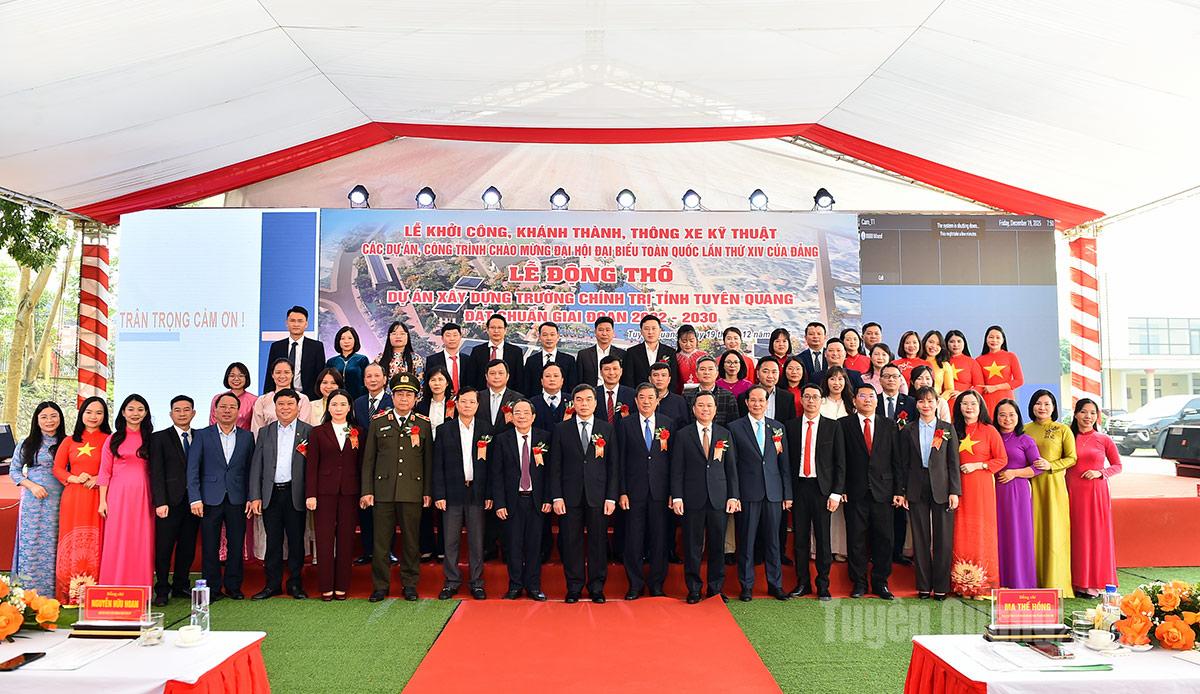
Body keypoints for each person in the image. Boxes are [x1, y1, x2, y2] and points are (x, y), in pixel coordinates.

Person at [362, 372, 432, 602]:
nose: (403, 398)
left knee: (411, 542)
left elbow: (428, 462)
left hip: (412, 491)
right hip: (383, 491)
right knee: (381, 542)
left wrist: (427, 492)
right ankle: (380, 586)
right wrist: (367, 490)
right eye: (399, 394)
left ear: (416, 398)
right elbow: (369, 460)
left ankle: (410, 584)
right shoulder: (379, 422)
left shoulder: (423, 424)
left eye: (408, 395)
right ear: (392, 396)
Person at [551, 385, 619, 603]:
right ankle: (574, 587)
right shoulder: (561, 429)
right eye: (579, 400)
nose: (584, 404)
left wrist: (611, 497)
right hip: (569, 496)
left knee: (598, 542)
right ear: (573, 403)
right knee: (572, 542)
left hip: (598, 495)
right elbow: (555, 467)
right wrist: (557, 496)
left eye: (589, 399)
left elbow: (613, 466)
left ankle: (597, 587)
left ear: (596, 403)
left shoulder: (606, 429)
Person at [671, 392, 739, 603]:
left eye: (709, 405)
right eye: (701, 405)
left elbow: (731, 468)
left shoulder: (724, 434)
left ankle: (715, 588)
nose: (705, 409)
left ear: (715, 409)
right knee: (693, 546)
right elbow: (677, 469)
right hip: (692, 498)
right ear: (694, 409)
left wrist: (733, 496)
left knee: (717, 546)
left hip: (719, 498)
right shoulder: (683, 435)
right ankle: (693, 589)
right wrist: (677, 497)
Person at [188, 392, 255, 600]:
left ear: (239, 411)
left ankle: (234, 587)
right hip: (209, 499)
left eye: (232, 407)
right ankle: (212, 588)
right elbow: (193, 469)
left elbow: (251, 470)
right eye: (223, 407)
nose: (227, 410)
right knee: (210, 545)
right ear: (215, 411)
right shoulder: (202, 435)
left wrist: (251, 497)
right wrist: (195, 498)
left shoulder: (247, 437)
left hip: (237, 498)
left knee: (236, 544)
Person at [897, 386, 961, 600]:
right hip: (916, 487)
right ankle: (924, 586)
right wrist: (903, 491)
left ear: (937, 403)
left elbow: (953, 462)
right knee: (920, 538)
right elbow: (903, 463)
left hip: (942, 487)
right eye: (921, 401)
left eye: (930, 401)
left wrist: (954, 491)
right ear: (916, 404)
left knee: (943, 538)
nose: (926, 405)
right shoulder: (908, 429)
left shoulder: (946, 428)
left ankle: (941, 587)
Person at [840, 384, 902, 600]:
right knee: (856, 538)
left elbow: (897, 460)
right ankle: (858, 583)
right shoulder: (844, 424)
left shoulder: (889, 425)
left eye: (871, 396)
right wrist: (841, 488)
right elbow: (840, 460)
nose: (867, 400)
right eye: (862, 396)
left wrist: (899, 490)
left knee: (884, 538)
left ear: (877, 401)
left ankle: (880, 583)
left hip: (883, 491)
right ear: (854, 400)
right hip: (854, 491)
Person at [730, 386, 792, 601]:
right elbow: (733, 466)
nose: (757, 404)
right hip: (748, 493)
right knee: (747, 541)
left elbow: (784, 464)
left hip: (774, 493)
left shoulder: (777, 427)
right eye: (753, 400)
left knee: (774, 541)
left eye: (761, 400)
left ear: (767, 403)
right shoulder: (735, 428)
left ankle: (775, 584)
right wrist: (735, 495)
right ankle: (746, 586)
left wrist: (787, 494)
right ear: (746, 402)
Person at [248, 389, 311, 600]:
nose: (285, 408)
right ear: (275, 407)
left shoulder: (308, 431)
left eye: (289, 404)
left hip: (295, 494)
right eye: (281, 404)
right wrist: (255, 496)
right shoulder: (265, 432)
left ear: (298, 407)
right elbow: (256, 465)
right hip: (271, 494)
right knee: (273, 542)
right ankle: (272, 584)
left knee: (296, 541)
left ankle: (295, 584)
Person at [785, 384, 845, 600]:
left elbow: (840, 463)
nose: (811, 401)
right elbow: (786, 463)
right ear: (801, 400)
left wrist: (836, 493)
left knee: (823, 538)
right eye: (807, 397)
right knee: (800, 539)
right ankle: (802, 583)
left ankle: (823, 585)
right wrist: (787, 493)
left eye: (815, 397)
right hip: (799, 487)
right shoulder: (790, 427)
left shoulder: (833, 426)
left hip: (822, 490)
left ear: (821, 400)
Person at [432, 387, 492, 600]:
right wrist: (439, 494)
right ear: (456, 404)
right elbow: (437, 465)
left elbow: (492, 466)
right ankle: (451, 582)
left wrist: (490, 494)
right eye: (463, 401)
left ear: (478, 405)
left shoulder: (486, 429)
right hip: (452, 493)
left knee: (477, 541)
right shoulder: (444, 430)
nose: (467, 405)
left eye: (472, 402)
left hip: (477, 492)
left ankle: (477, 583)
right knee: (450, 541)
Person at [617, 384, 675, 599]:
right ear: (636, 400)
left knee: (659, 539)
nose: (646, 401)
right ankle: (635, 585)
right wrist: (622, 491)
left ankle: (657, 584)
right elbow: (620, 461)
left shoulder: (668, 424)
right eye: (642, 397)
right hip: (634, 492)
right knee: (634, 539)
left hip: (660, 492)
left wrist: (673, 492)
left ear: (657, 400)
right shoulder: (625, 424)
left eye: (651, 397)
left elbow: (673, 462)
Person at [304, 390, 362, 601]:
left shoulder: (358, 432)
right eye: (334, 404)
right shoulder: (318, 432)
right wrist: (311, 494)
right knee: (324, 540)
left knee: (346, 540)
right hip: (323, 493)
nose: (338, 408)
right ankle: (326, 586)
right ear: (328, 407)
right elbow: (312, 466)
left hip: (350, 492)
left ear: (349, 407)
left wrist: (364, 493)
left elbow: (362, 464)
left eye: (343, 404)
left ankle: (342, 586)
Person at [491, 399, 551, 600]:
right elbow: (496, 474)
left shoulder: (544, 438)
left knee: (534, 546)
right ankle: (515, 586)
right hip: (512, 501)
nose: (522, 416)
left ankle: (534, 586)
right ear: (511, 416)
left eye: (526, 412)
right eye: (517, 412)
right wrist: (499, 503)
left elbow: (551, 472)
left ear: (533, 417)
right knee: (513, 545)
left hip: (536, 501)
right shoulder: (502, 439)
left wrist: (548, 498)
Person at [54, 396, 110, 604]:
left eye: (99, 412)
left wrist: (97, 478)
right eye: (89, 412)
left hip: (99, 497)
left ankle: (97, 593)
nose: (93, 416)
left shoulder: (109, 439)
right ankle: (71, 594)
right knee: (72, 543)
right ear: (81, 414)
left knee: (98, 541)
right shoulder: (69, 440)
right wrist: (74, 478)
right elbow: (57, 468)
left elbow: (115, 468)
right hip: (74, 497)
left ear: (104, 416)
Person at [949, 389, 1005, 597]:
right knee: (959, 531)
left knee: (981, 531)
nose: (969, 407)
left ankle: (982, 583)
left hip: (981, 488)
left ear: (980, 406)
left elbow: (1002, 459)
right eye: (964, 403)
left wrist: (979, 465)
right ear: (959, 407)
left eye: (973, 403)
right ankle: (959, 583)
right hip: (957, 488)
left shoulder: (990, 430)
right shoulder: (952, 430)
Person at [97, 394, 155, 587]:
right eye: (131, 409)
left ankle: (140, 588)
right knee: (117, 539)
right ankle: (112, 585)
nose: (135, 413)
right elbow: (104, 471)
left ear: (146, 413)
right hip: (118, 496)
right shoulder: (113, 439)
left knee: (141, 540)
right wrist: (102, 501)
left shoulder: (151, 439)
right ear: (123, 412)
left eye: (140, 409)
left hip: (144, 496)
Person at [9, 401, 66, 597]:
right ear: (37, 420)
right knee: (31, 543)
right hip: (33, 502)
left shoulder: (67, 442)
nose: (49, 420)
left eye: (53, 416)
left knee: (54, 543)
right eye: (44, 417)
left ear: (60, 418)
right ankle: (27, 591)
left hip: (60, 501)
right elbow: (14, 471)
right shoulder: (27, 443)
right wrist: (32, 486)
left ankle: (53, 591)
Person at [149, 396, 201, 606]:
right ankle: (162, 588)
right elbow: (156, 472)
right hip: (169, 503)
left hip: (194, 502)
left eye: (186, 409)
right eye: (177, 410)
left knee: (187, 546)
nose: (182, 413)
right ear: (171, 414)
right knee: (164, 547)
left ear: (193, 413)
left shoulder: (200, 436)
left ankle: (181, 584)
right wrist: (160, 502)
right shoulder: (159, 438)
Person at [1025, 389, 1077, 597]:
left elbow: (1072, 458)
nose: (1042, 408)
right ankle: (1031, 580)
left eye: (1047, 404)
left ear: (1054, 407)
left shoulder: (1062, 429)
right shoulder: (1024, 429)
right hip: (1029, 486)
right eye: (1038, 403)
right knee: (1032, 530)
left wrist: (1051, 465)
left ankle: (1054, 581)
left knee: (1053, 530)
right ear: (1032, 406)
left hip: (1053, 486)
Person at [1067, 398, 1121, 597]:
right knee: (1076, 535)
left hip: (1096, 493)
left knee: (1095, 536)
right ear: (1075, 414)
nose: (1088, 416)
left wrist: (1100, 473)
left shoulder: (1103, 439)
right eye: (1083, 412)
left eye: (1092, 413)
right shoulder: (1067, 436)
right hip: (1071, 492)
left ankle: (1094, 583)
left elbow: (1117, 465)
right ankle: (1076, 582)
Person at [993, 399, 1041, 589]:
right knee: (998, 533)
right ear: (996, 417)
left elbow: (1038, 467)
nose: (1007, 419)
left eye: (1011, 415)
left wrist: (1014, 473)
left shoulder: (1025, 440)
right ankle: (997, 580)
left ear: (1018, 417)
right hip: (993, 491)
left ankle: (1020, 581)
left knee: (1017, 534)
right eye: (1002, 415)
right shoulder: (991, 436)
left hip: (1017, 492)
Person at [352, 362, 393, 565]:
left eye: (377, 376)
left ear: (385, 379)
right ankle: (368, 551)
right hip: (363, 461)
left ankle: (388, 551)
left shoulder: (392, 401)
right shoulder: (358, 403)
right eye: (369, 376)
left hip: (387, 460)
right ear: (364, 380)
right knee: (366, 508)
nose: (373, 379)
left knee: (386, 509)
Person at [877, 363, 916, 566]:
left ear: (901, 380)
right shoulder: (873, 400)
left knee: (900, 511)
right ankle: (877, 551)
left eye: (895, 376)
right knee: (879, 511)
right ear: (880, 379)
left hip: (903, 459)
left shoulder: (910, 403)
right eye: (887, 376)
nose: (891, 380)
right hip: (878, 460)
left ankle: (898, 552)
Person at [416, 366, 454, 562]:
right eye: (433, 380)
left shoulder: (454, 405)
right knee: (424, 503)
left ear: (447, 382)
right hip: (424, 458)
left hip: (448, 460)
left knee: (444, 504)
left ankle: (443, 548)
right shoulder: (420, 406)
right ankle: (426, 546)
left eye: (440, 379)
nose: (437, 383)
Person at [264, 305, 326, 401]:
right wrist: (267, 397)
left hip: (309, 398)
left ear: (306, 324)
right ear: (287, 323)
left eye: (300, 321)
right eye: (292, 321)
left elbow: (320, 375)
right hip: (281, 397)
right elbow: (270, 375)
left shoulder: (316, 347)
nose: (296, 324)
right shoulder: (277, 347)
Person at [252, 358, 313, 434]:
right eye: (278, 372)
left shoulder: (303, 399)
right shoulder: (262, 400)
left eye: (286, 372)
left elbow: (304, 429)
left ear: (292, 374)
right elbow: (257, 430)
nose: (282, 376)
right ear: (272, 375)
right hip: (269, 441)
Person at [622, 315, 680, 393]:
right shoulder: (632, 352)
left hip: (664, 396)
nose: (650, 332)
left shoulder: (670, 352)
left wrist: (668, 397)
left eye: (654, 328)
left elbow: (673, 379)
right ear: (641, 332)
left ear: (660, 330)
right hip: (640, 396)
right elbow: (628, 380)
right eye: (646, 329)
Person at [470, 314, 526, 394]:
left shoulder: (516, 352)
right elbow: (471, 378)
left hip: (508, 398)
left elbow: (519, 379)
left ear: (505, 330)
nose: (496, 331)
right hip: (482, 396)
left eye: (499, 328)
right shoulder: (477, 351)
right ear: (487, 330)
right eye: (493, 327)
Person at [977, 325, 1025, 417]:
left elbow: (1019, 381)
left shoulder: (1011, 356)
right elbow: (978, 385)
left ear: (1003, 340)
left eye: (998, 337)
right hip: (987, 401)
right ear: (986, 339)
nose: (994, 340)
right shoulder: (979, 360)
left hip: (1006, 399)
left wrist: (996, 387)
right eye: (991, 337)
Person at [523, 321, 578, 395]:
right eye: (545, 335)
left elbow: (572, 386)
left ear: (558, 337)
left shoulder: (569, 360)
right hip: (536, 400)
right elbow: (526, 386)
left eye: (552, 335)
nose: (549, 338)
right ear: (539, 337)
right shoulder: (531, 361)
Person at [684, 355, 739, 427]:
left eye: (710, 369)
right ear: (696, 373)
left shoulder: (728, 396)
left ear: (717, 373)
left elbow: (733, 424)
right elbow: (684, 422)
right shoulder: (687, 396)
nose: (707, 372)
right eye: (702, 369)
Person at [736, 357, 796, 423]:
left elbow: (790, 423)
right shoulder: (744, 397)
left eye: (774, 372)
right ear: (757, 374)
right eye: (765, 372)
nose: (770, 376)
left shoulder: (787, 397)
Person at [576, 316, 626, 387]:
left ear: (613, 333)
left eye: (608, 330)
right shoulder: (584, 355)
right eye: (601, 330)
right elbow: (579, 380)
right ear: (595, 332)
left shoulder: (622, 354)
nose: (604, 333)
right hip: (591, 392)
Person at [943, 330, 985, 412]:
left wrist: (963, 394)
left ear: (964, 343)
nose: (956, 345)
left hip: (965, 405)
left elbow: (980, 386)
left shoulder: (972, 362)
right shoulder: (941, 362)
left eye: (959, 341)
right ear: (946, 344)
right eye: (952, 341)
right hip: (944, 404)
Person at [479, 359, 524, 431]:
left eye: (500, 373)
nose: (496, 377)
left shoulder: (518, 399)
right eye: (492, 373)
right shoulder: (478, 397)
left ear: (507, 376)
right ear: (486, 377)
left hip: (507, 437)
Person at [209, 362, 256, 430]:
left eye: (241, 376)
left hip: (245, 436)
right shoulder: (217, 398)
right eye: (232, 376)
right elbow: (212, 423)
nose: (236, 379)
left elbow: (256, 426)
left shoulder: (254, 400)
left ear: (246, 378)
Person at [326, 326, 369, 401]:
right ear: (338, 341)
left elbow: (367, 381)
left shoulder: (362, 359)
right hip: (336, 400)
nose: (346, 341)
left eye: (350, 338)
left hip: (358, 399)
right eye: (343, 338)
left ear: (355, 340)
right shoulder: (331, 361)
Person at [424, 323, 469, 394]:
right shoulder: (432, 360)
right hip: (441, 397)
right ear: (442, 338)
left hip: (463, 398)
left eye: (455, 335)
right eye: (448, 335)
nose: (452, 339)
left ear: (460, 337)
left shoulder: (468, 360)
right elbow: (428, 382)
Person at [594, 355, 637, 426]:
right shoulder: (593, 394)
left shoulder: (632, 394)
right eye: (607, 369)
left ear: (621, 371)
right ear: (601, 372)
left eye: (615, 369)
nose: (611, 373)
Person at [532, 363, 569, 433]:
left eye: (556, 376)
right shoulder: (532, 403)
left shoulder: (572, 401)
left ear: (562, 380)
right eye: (547, 376)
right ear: (541, 381)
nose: (552, 379)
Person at [918, 330, 954, 401]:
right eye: (931, 342)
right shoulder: (916, 361)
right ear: (924, 342)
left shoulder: (945, 365)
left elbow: (949, 389)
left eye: (938, 344)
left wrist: (938, 401)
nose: (934, 346)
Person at [675, 324, 705, 390]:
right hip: (679, 392)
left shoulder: (704, 356)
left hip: (702, 392)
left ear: (696, 340)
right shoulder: (674, 357)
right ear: (678, 341)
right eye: (684, 341)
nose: (688, 344)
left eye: (691, 341)